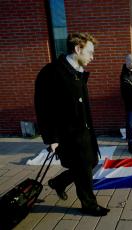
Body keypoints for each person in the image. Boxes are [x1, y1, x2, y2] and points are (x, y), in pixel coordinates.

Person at [35, 32, 110, 216]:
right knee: (84, 168)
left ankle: (59, 183)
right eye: (90, 52)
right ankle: (89, 204)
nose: (93, 57)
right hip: (67, 133)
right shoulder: (51, 72)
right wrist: (52, 138)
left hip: (85, 131)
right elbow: (43, 108)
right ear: (78, 49)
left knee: (91, 162)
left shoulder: (78, 71)